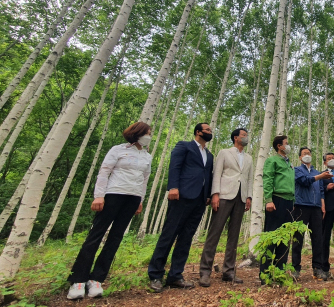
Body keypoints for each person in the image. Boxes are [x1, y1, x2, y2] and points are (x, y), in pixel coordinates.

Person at [67, 122, 152, 300]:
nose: (149, 136)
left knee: (116, 237)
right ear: (137, 133)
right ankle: (78, 280)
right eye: (147, 133)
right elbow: (104, 171)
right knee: (95, 236)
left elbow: (144, 180)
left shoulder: (147, 156)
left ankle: (96, 279)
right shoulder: (118, 149)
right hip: (113, 194)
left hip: (133, 198)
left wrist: (140, 201)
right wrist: (99, 196)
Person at [148, 123, 214, 292]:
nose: (210, 132)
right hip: (182, 195)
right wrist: (173, 187)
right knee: (169, 235)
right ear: (198, 132)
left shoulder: (209, 155)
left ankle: (175, 275)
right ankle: (155, 275)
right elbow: (175, 166)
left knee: (186, 238)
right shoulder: (184, 146)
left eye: (211, 130)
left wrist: (207, 195)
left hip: (199, 200)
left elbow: (208, 175)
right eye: (207, 130)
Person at [199, 128, 253, 287]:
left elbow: (249, 179)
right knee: (214, 233)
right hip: (224, 195)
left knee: (234, 235)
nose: (246, 138)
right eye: (243, 135)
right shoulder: (224, 152)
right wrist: (215, 194)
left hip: (241, 197)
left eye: (247, 136)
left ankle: (229, 271)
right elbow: (217, 174)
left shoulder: (249, 158)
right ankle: (205, 271)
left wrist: (248, 197)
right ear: (236, 138)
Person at [291, 147, 333, 281]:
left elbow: (321, 190)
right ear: (300, 157)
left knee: (318, 239)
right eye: (304, 153)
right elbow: (305, 181)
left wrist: (323, 205)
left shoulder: (316, 172)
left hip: (316, 208)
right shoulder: (297, 170)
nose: (307, 155)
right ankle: (295, 269)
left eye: (309, 153)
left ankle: (317, 269)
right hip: (301, 206)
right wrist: (320, 176)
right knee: (298, 238)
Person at [259, 135, 296, 285]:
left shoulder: (290, 164)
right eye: (286, 144)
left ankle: (280, 273)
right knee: (271, 236)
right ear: (279, 146)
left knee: (285, 237)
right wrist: (268, 200)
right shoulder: (272, 160)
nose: (288, 146)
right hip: (276, 200)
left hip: (289, 201)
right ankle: (265, 275)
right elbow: (267, 179)